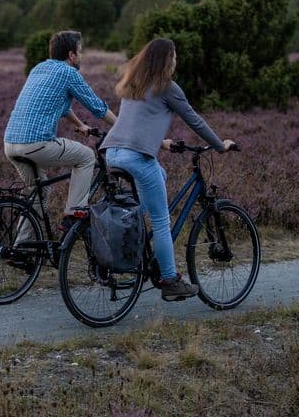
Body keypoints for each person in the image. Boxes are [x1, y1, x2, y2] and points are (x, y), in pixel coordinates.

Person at [100, 38, 235, 301]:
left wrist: (161, 143)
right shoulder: (168, 87)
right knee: (162, 221)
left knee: (159, 175)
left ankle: (133, 232)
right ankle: (171, 281)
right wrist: (220, 146)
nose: (175, 61)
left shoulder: (133, 83)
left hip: (112, 153)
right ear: (166, 60)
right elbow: (194, 119)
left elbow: (134, 124)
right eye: (173, 57)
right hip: (137, 157)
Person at [4, 30, 117, 235]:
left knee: (37, 195)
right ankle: (74, 214)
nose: (81, 56)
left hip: (11, 144)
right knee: (86, 156)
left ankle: (22, 248)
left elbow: (61, 106)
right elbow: (97, 107)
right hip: (36, 144)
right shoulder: (69, 73)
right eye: (80, 52)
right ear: (71, 55)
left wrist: (80, 124)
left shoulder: (39, 68)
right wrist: (121, 127)